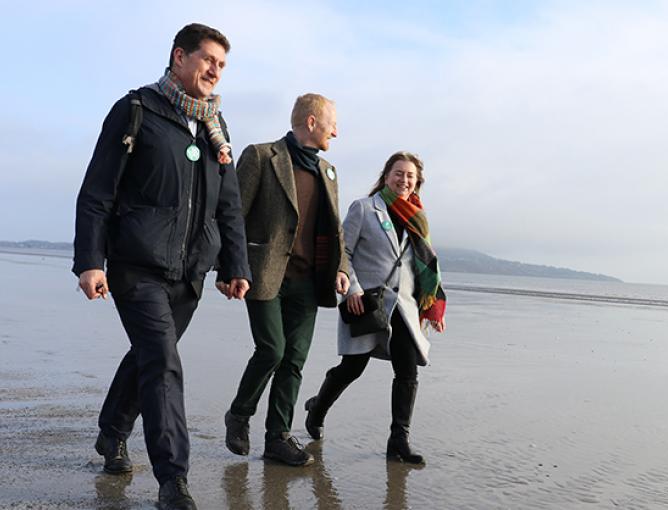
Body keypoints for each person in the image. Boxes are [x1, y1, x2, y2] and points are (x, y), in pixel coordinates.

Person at [73, 23, 251, 510]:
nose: (215, 71)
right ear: (179, 57)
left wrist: (235, 264)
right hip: (137, 265)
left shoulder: (216, 128)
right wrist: (90, 261)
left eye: (222, 65)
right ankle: (174, 480)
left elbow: (228, 206)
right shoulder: (137, 111)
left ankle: (111, 433)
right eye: (207, 59)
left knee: (151, 357)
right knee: (164, 363)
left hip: (189, 273)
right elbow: (97, 192)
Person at [222, 93, 350, 467]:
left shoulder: (328, 170)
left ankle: (278, 437)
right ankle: (239, 414)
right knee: (272, 350)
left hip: (309, 281)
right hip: (263, 274)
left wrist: (341, 268)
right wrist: (229, 268)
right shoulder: (262, 156)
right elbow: (232, 215)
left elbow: (335, 227)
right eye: (332, 124)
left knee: (294, 359)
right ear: (312, 122)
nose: (336, 132)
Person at [304, 151, 446, 465]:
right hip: (366, 302)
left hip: (405, 307)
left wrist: (432, 306)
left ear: (417, 182)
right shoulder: (365, 209)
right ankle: (317, 408)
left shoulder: (417, 219)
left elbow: (425, 266)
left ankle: (399, 440)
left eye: (411, 176)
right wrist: (351, 289)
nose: (404, 180)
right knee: (352, 367)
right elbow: (344, 253)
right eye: (399, 173)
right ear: (385, 176)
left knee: (407, 371)